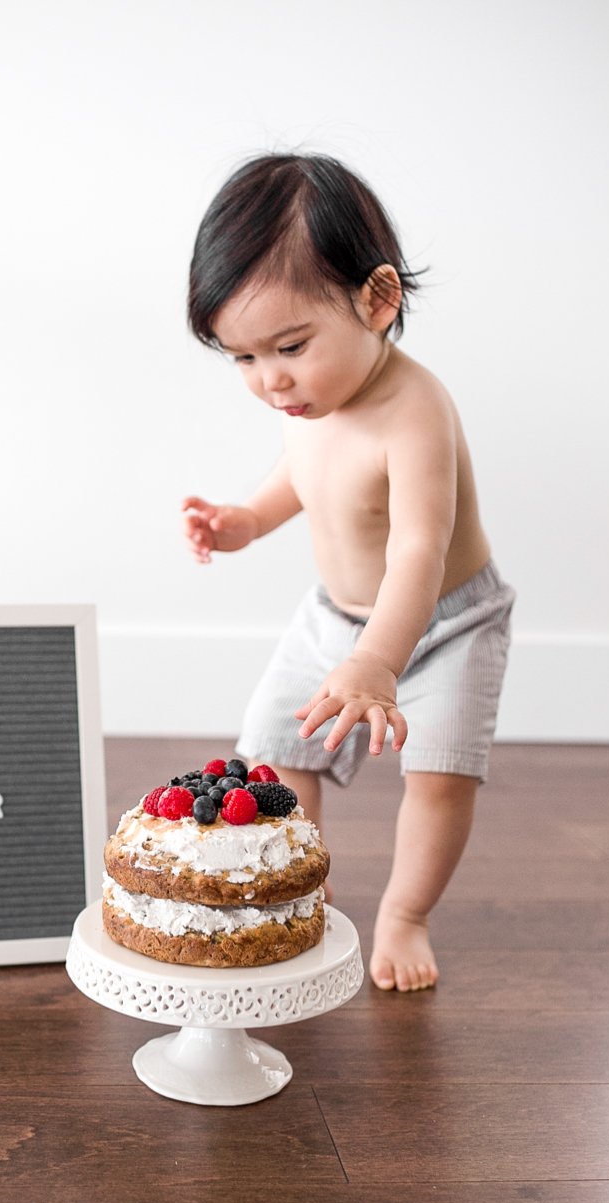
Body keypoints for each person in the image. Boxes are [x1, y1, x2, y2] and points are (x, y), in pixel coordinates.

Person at [180, 152, 513, 992]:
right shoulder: (307, 402)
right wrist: (247, 520)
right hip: (335, 613)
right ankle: (310, 880)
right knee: (279, 745)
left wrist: (379, 661)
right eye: (243, 359)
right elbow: (302, 475)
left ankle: (405, 913)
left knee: (439, 775)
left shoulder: (415, 411)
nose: (271, 380)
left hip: (443, 620)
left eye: (289, 346)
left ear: (379, 298)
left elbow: (417, 550)